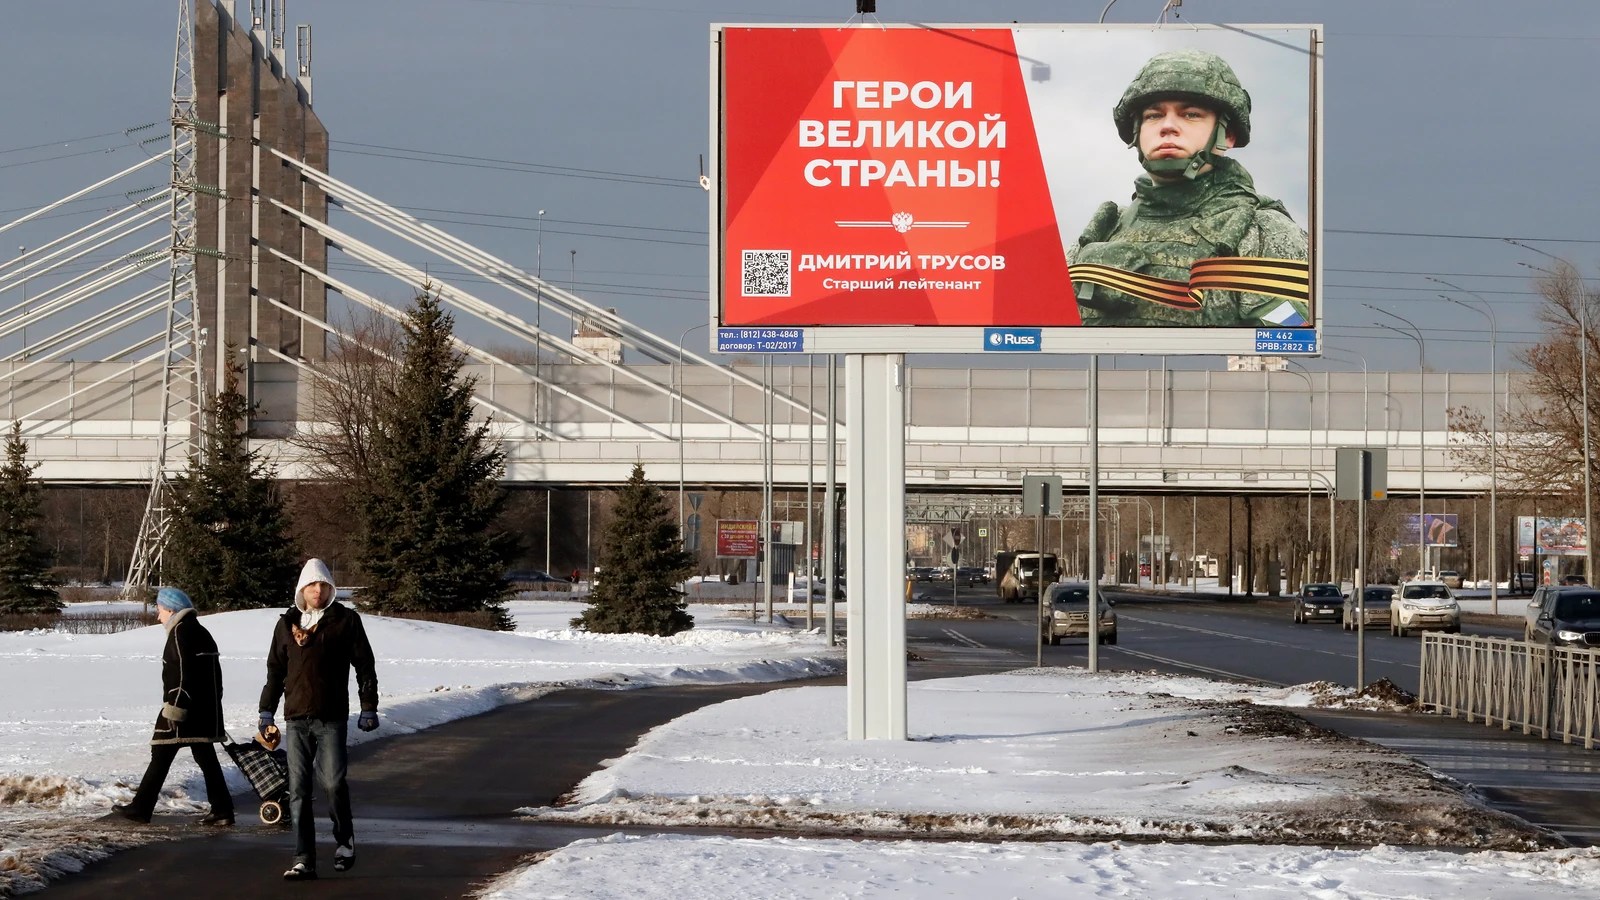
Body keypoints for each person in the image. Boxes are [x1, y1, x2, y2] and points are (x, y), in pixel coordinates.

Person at [1065, 49, 1311, 327]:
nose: (1168, 126)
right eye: (1153, 116)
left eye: (1191, 114)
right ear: (1137, 132)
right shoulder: (1102, 232)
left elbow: (1289, 340)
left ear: (1226, 135)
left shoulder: (1262, 233)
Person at [259, 559, 380, 882]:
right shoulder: (287, 624)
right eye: (312, 585)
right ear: (302, 588)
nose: (318, 590)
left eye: (323, 585)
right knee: (297, 790)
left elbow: (364, 666)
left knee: (333, 782)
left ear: (331, 589)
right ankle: (303, 858)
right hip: (296, 718)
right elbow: (275, 670)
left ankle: (344, 841)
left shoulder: (345, 621)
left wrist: (368, 707)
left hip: (331, 717)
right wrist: (265, 712)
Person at [112, 587, 234, 826]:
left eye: (160, 610)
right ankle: (222, 809)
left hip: (184, 710)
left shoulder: (179, 633)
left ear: (171, 610)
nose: (158, 617)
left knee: (161, 753)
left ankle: (141, 808)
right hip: (206, 711)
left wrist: (175, 709)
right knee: (206, 758)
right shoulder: (201, 631)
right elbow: (215, 677)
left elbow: (181, 674)